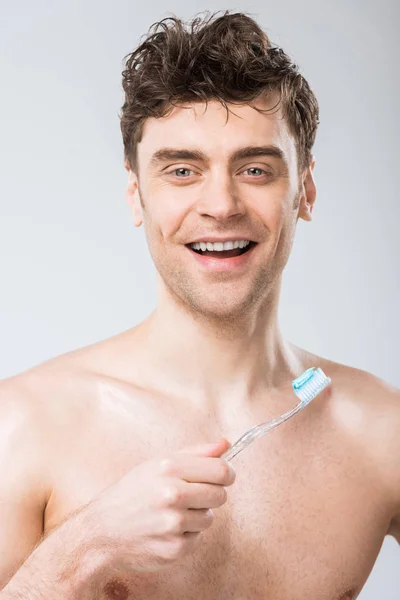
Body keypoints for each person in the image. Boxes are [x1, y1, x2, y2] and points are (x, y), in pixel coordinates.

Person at [0, 10, 398, 600]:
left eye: (256, 169)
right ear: (137, 194)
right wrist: (86, 548)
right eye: (182, 170)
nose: (220, 204)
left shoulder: (380, 429)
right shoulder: (22, 426)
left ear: (304, 191)